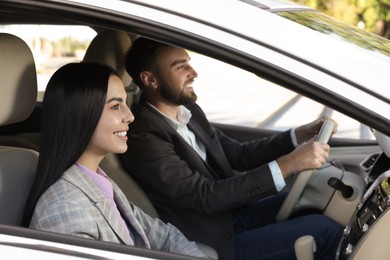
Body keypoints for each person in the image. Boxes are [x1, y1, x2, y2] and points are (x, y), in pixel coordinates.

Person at [121, 37, 343, 260]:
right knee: (325, 231)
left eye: (188, 62)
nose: (193, 72)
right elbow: (204, 196)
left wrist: (298, 135)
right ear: (150, 79)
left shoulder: (190, 111)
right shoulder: (143, 137)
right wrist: (289, 164)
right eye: (180, 66)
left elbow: (238, 155)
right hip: (209, 241)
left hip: (229, 215)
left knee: (312, 204)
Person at [22, 62, 207, 258]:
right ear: (81, 114)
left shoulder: (98, 181)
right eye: (116, 106)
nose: (130, 116)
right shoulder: (65, 211)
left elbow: (165, 236)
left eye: (125, 104)